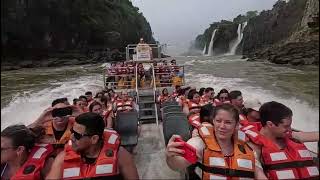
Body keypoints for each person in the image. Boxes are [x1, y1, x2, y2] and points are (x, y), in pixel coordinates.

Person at [166, 104, 267, 179]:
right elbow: (177, 165)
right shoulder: (199, 143)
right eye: (218, 121)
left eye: (228, 122)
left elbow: (260, 175)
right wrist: (170, 156)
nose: (222, 126)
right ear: (213, 121)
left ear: (236, 125)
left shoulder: (248, 149)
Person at [46, 113, 139, 179]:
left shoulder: (121, 156)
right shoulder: (62, 158)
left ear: (94, 139)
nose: (71, 137)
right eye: (72, 132)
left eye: (77, 135)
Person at [245, 101, 319, 179]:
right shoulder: (254, 147)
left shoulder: (291, 136)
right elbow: (258, 172)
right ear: (270, 124)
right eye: (286, 126)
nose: (289, 129)